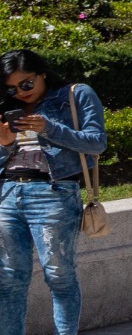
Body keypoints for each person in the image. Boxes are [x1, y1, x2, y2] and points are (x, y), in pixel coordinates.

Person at [0, 49, 105, 335]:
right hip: (8, 195)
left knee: (59, 276)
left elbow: (97, 143)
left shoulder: (75, 94)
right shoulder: (6, 107)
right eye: (11, 88)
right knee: (9, 279)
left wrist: (49, 128)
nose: (21, 92)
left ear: (42, 74)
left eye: (26, 84)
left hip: (54, 193)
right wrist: (4, 144)